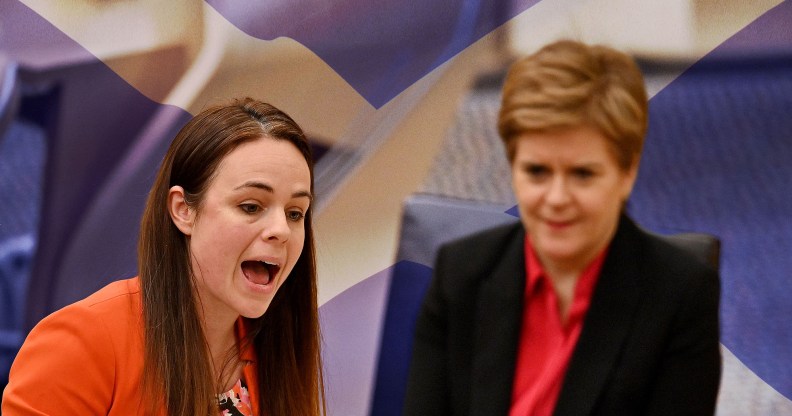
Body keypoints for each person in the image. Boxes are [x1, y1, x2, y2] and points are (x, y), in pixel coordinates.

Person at [403, 40, 721, 415]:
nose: (556, 198)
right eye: (537, 171)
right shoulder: (460, 274)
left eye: (582, 174)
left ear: (627, 172)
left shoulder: (679, 295)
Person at [2, 98, 325, 415]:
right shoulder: (82, 342)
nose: (281, 230)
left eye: (295, 213)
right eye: (251, 206)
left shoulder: (277, 347)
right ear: (183, 211)